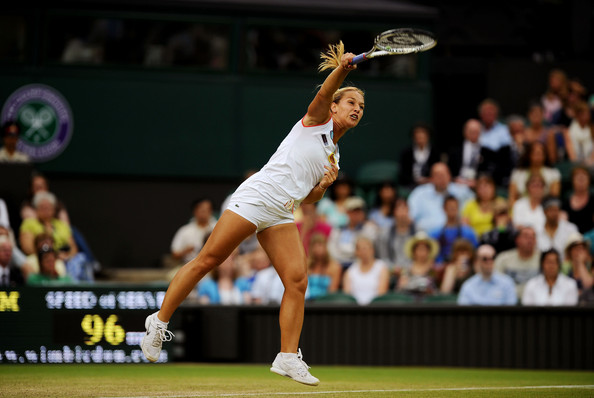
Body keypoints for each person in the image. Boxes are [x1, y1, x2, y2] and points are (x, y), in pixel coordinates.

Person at [141, 42, 365, 386]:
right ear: (334, 107)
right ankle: (159, 322)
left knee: (297, 280)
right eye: (351, 102)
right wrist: (344, 68)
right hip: (258, 196)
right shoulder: (317, 118)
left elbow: (309, 200)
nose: (357, 108)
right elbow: (324, 92)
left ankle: (287, 356)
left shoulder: (334, 156)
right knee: (209, 259)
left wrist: (322, 186)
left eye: (362, 106)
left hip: (281, 211)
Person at [407, 162, 474, 233]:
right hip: (426, 237)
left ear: (449, 176)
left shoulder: (462, 192)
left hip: (455, 236)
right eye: (437, 175)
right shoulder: (419, 193)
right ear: (431, 178)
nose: (441, 178)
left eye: (444, 175)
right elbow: (409, 216)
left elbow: (477, 207)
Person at [327, 196, 378, 269]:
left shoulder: (369, 229)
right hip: (340, 264)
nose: (355, 214)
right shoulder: (338, 229)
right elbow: (331, 249)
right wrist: (341, 260)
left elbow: (366, 250)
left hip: (360, 264)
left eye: (358, 211)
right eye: (352, 211)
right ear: (347, 212)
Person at [508, 141, 561, 207]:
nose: (538, 156)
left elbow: (554, 198)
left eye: (540, 153)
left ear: (545, 155)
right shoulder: (517, 173)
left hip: (545, 209)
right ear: (529, 155)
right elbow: (512, 197)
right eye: (535, 153)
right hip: (521, 209)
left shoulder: (553, 173)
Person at [429, 195, 478, 266]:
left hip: (464, 267)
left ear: (458, 208)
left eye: (454, 207)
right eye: (449, 207)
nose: (452, 209)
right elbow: (432, 257)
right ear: (444, 209)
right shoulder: (434, 234)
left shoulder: (469, 232)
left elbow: (474, 254)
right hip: (441, 268)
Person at [494, 226, 541, 297]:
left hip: (536, 301)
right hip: (509, 301)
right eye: (526, 236)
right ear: (517, 240)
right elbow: (496, 282)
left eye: (533, 237)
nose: (530, 240)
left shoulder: (543, 259)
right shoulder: (503, 258)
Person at [376, 198, 416, 280]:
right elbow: (383, 258)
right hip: (391, 273)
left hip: (414, 271)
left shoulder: (417, 232)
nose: (402, 213)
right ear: (394, 212)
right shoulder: (384, 234)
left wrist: (411, 269)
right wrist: (394, 269)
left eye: (404, 209)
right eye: (399, 209)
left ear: (408, 211)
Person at [342, 236, 389, 305]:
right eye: (360, 249)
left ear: (372, 250)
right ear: (356, 252)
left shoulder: (381, 267)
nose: (364, 252)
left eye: (366, 248)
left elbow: (381, 294)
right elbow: (347, 295)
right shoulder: (350, 271)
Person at [170, 198, 217, 265]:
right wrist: (185, 251)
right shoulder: (185, 231)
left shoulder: (218, 228)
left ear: (211, 211)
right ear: (195, 211)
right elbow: (174, 254)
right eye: (201, 210)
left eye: (206, 210)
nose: (204, 212)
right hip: (189, 265)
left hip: (214, 267)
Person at [397, 231, 439, 296]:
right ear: (414, 252)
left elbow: (435, 290)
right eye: (419, 249)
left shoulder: (433, 269)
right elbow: (400, 288)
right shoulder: (406, 268)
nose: (422, 253)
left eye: (424, 249)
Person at [398, 122, 440, 188]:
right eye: (417, 134)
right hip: (411, 185)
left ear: (428, 136)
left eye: (423, 133)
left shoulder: (436, 152)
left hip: (431, 185)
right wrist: (415, 180)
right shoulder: (406, 153)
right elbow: (403, 174)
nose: (420, 136)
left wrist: (429, 180)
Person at [447, 119, 484, 188]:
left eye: (476, 131)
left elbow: (488, 172)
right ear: (465, 132)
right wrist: (455, 180)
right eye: (471, 131)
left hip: (478, 186)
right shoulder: (455, 150)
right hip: (457, 184)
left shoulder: (487, 152)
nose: (473, 134)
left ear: (481, 132)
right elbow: (449, 170)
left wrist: (478, 181)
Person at [306, 233, 342, 300]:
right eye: (314, 246)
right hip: (306, 303)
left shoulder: (334, 267)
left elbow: (332, 292)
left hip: (325, 304)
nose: (317, 249)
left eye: (320, 245)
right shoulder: (305, 265)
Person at [562, 166, 594, 234]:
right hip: (571, 238)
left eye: (583, 178)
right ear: (572, 181)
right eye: (578, 178)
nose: (581, 181)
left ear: (589, 180)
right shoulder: (565, 203)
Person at [561, 233, 593, 297]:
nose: (579, 252)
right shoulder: (564, 267)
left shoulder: (591, 265)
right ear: (570, 252)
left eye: (581, 248)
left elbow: (587, 285)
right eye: (576, 249)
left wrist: (580, 263)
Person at [564, 101, 594, 167]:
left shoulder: (592, 129)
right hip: (575, 164)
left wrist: (590, 162)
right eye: (584, 114)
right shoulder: (568, 131)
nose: (587, 116)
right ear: (577, 115)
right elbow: (572, 156)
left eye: (588, 114)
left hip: (591, 163)